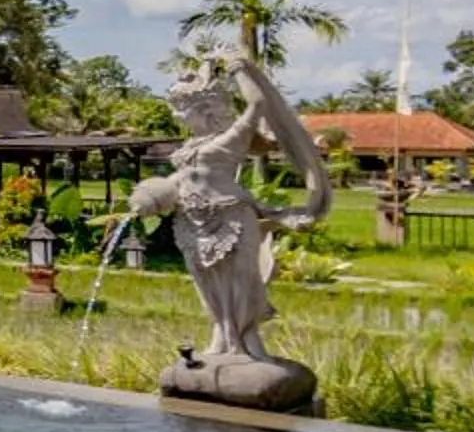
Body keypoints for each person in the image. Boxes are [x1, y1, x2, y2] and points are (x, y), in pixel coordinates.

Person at [124, 52, 329, 363]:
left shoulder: (230, 138)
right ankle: (221, 333)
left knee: (242, 280)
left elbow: (257, 105)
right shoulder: (188, 148)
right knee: (206, 283)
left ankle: (247, 338)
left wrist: (237, 68)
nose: (178, 117)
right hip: (192, 222)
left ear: (207, 111)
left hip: (231, 218)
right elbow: (180, 181)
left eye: (184, 110)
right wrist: (150, 199)